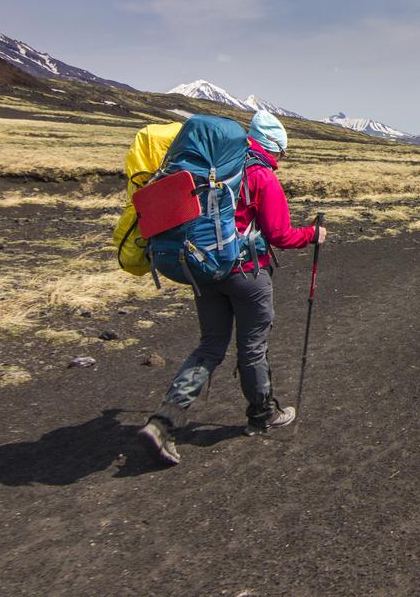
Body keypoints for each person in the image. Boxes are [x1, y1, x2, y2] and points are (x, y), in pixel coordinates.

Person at [138, 110, 326, 465]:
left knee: (210, 345)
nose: (281, 159)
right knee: (252, 346)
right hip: (247, 274)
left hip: (205, 269)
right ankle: (263, 414)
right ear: (274, 146)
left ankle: (163, 421)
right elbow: (280, 235)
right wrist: (313, 234)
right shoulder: (261, 175)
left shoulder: (217, 169)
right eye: (282, 152)